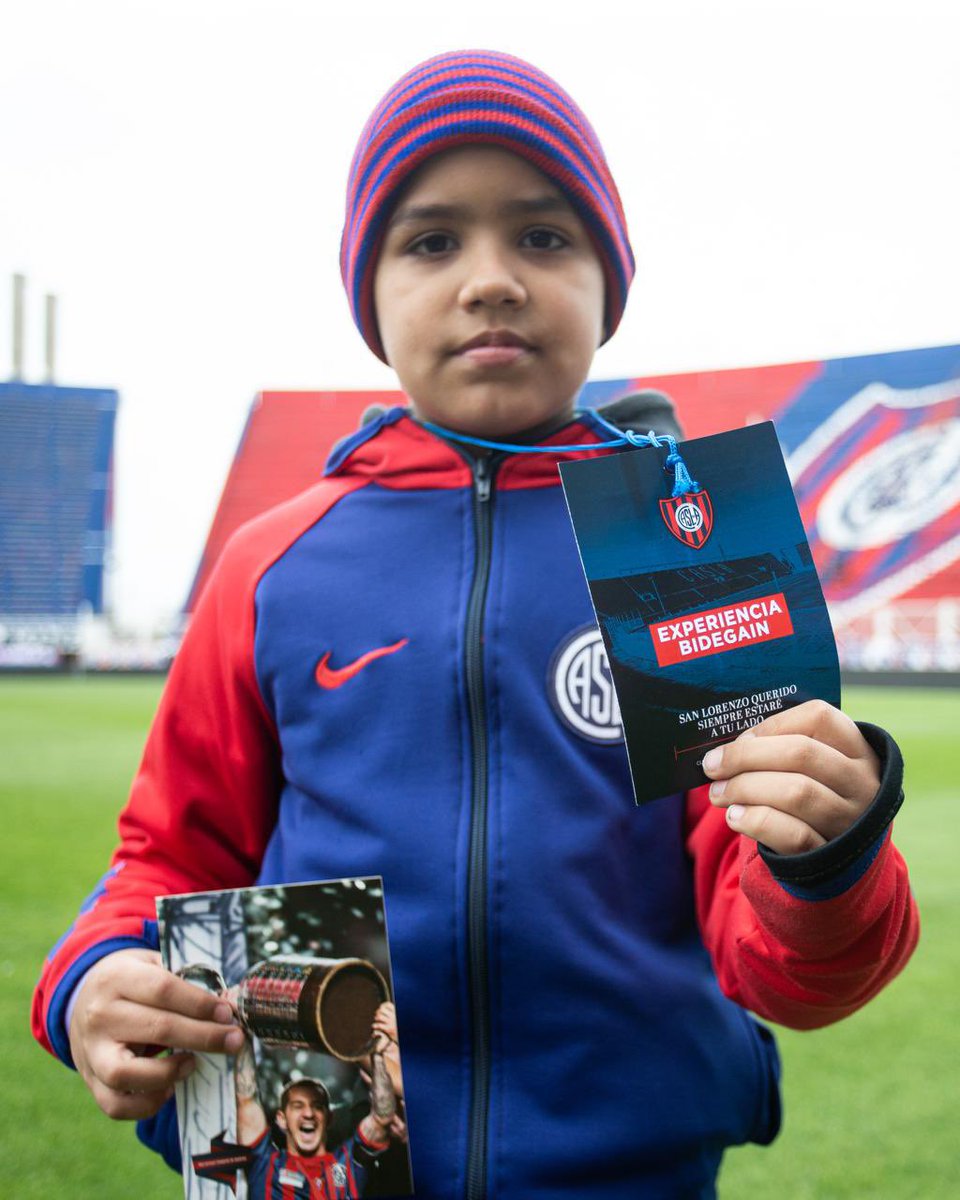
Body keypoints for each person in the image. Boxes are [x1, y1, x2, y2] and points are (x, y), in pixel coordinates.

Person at [32, 49, 919, 1198]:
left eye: (545, 237)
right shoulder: (270, 569)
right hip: (316, 1164)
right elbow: (170, 855)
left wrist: (830, 852)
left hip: (628, 1176)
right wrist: (94, 975)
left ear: (610, 279)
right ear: (370, 295)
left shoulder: (693, 560)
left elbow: (788, 969)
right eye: (433, 240)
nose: (491, 279)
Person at [234, 1006, 397, 1200]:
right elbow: (246, 1098)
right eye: (298, 1106)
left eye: (317, 1106)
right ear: (282, 1119)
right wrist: (242, 1024)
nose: (308, 1113)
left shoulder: (346, 1165)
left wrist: (377, 1056)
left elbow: (382, 1117)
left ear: (329, 1118)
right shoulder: (264, 1164)